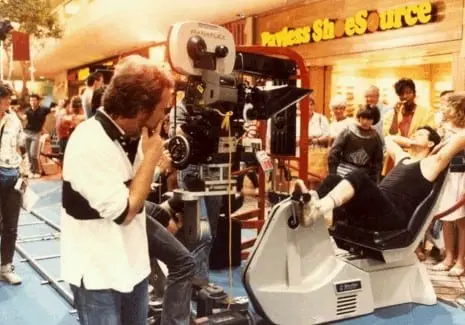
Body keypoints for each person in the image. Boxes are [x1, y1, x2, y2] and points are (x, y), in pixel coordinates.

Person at [61, 55, 195, 325]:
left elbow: (133, 183)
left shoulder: (132, 135)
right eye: (163, 109)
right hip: (99, 275)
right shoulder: (89, 141)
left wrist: (155, 166)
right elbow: (125, 211)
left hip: (131, 266)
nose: (165, 117)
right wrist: (151, 157)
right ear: (140, 108)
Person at [302, 125, 449, 231]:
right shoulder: (403, 158)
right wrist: (411, 142)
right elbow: (390, 139)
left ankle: (319, 208)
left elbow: (460, 140)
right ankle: (309, 207)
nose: (414, 135)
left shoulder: (431, 163)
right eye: (414, 134)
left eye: (421, 134)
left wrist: (440, 145)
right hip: (377, 207)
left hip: (393, 216)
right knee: (333, 179)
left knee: (359, 175)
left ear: (430, 144)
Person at [0, 83, 24, 285]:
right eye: (5, 98)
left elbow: (19, 145)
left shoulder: (14, 119)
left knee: (11, 224)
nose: (8, 102)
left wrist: (23, 170)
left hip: (12, 174)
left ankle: (6, 266)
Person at [328, 106, 383, 183]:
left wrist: (374, 182)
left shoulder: (375, 137)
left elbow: (377, 162)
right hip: (342, 171)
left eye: (369, 119)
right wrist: (332, 174)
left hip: (363, 175)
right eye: (363, 118)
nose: (365, 121)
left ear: (374, 120)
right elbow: (334, 153)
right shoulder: (348, 131)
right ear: (359, 117)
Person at [23, 94, 53, 178]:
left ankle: (37, 171)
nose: (32, 102)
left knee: (33, 154)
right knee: (28, 154)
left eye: (34, 100)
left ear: (38, 101)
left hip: (36, 134)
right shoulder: (27, 110)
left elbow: (52, 107)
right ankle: (31, 171)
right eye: (31, 100)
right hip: (27, 132)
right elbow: (23, 118)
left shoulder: (43, 109)